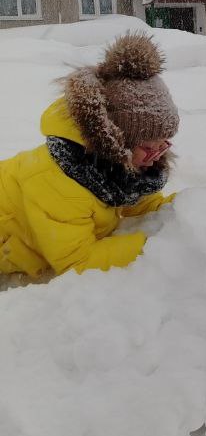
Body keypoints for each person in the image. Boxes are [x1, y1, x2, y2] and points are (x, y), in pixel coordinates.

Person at [0, 32, 179, 279]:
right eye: (149, 148)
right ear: (117, 143)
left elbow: (143, 202)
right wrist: (155, 247)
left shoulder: (115, 166)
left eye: (163, 146)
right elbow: (78, 262)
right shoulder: (61, 184)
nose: (156, 157)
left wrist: (188, 215)